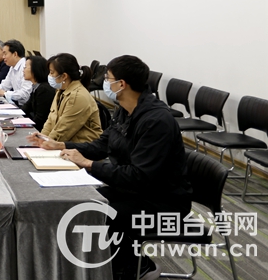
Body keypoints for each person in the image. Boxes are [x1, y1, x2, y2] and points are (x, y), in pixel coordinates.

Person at [32, 55, 191, 280]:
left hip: (162, 200)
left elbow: (139, 176)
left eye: (107, 78)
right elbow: (102, 144)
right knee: (80, 202)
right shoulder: (126, 110)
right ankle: (103, 267)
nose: (104, 83)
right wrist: (63, 145)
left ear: (121, 84)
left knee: (96, 213)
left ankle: (134, 267)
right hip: (135, 190)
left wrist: (89, 165)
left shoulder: (156, 121)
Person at [29, 53, 102, 143]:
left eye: (52, 73)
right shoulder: (60, 91)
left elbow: (64, 130)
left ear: (64, 76)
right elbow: (50, 121)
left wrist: (46, 142)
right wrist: (41, 138)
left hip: (80, 147)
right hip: (65, 143)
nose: (49, 76)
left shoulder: (78, 96)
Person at [0, 39, 33, 106]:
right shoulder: (12, 67)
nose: (3, 57)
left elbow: (25, 94)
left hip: (27, 107)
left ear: (15, 54)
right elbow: (5, 86)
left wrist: (5, 93)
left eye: (5, 54)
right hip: (20, 104)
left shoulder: (25, 67)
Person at [20, 55, 54, 130]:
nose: (23, 70)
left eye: (25, 67)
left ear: (35, 69)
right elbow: (26, 107)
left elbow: (40, 119)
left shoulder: (44, 89)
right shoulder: (36, 86)